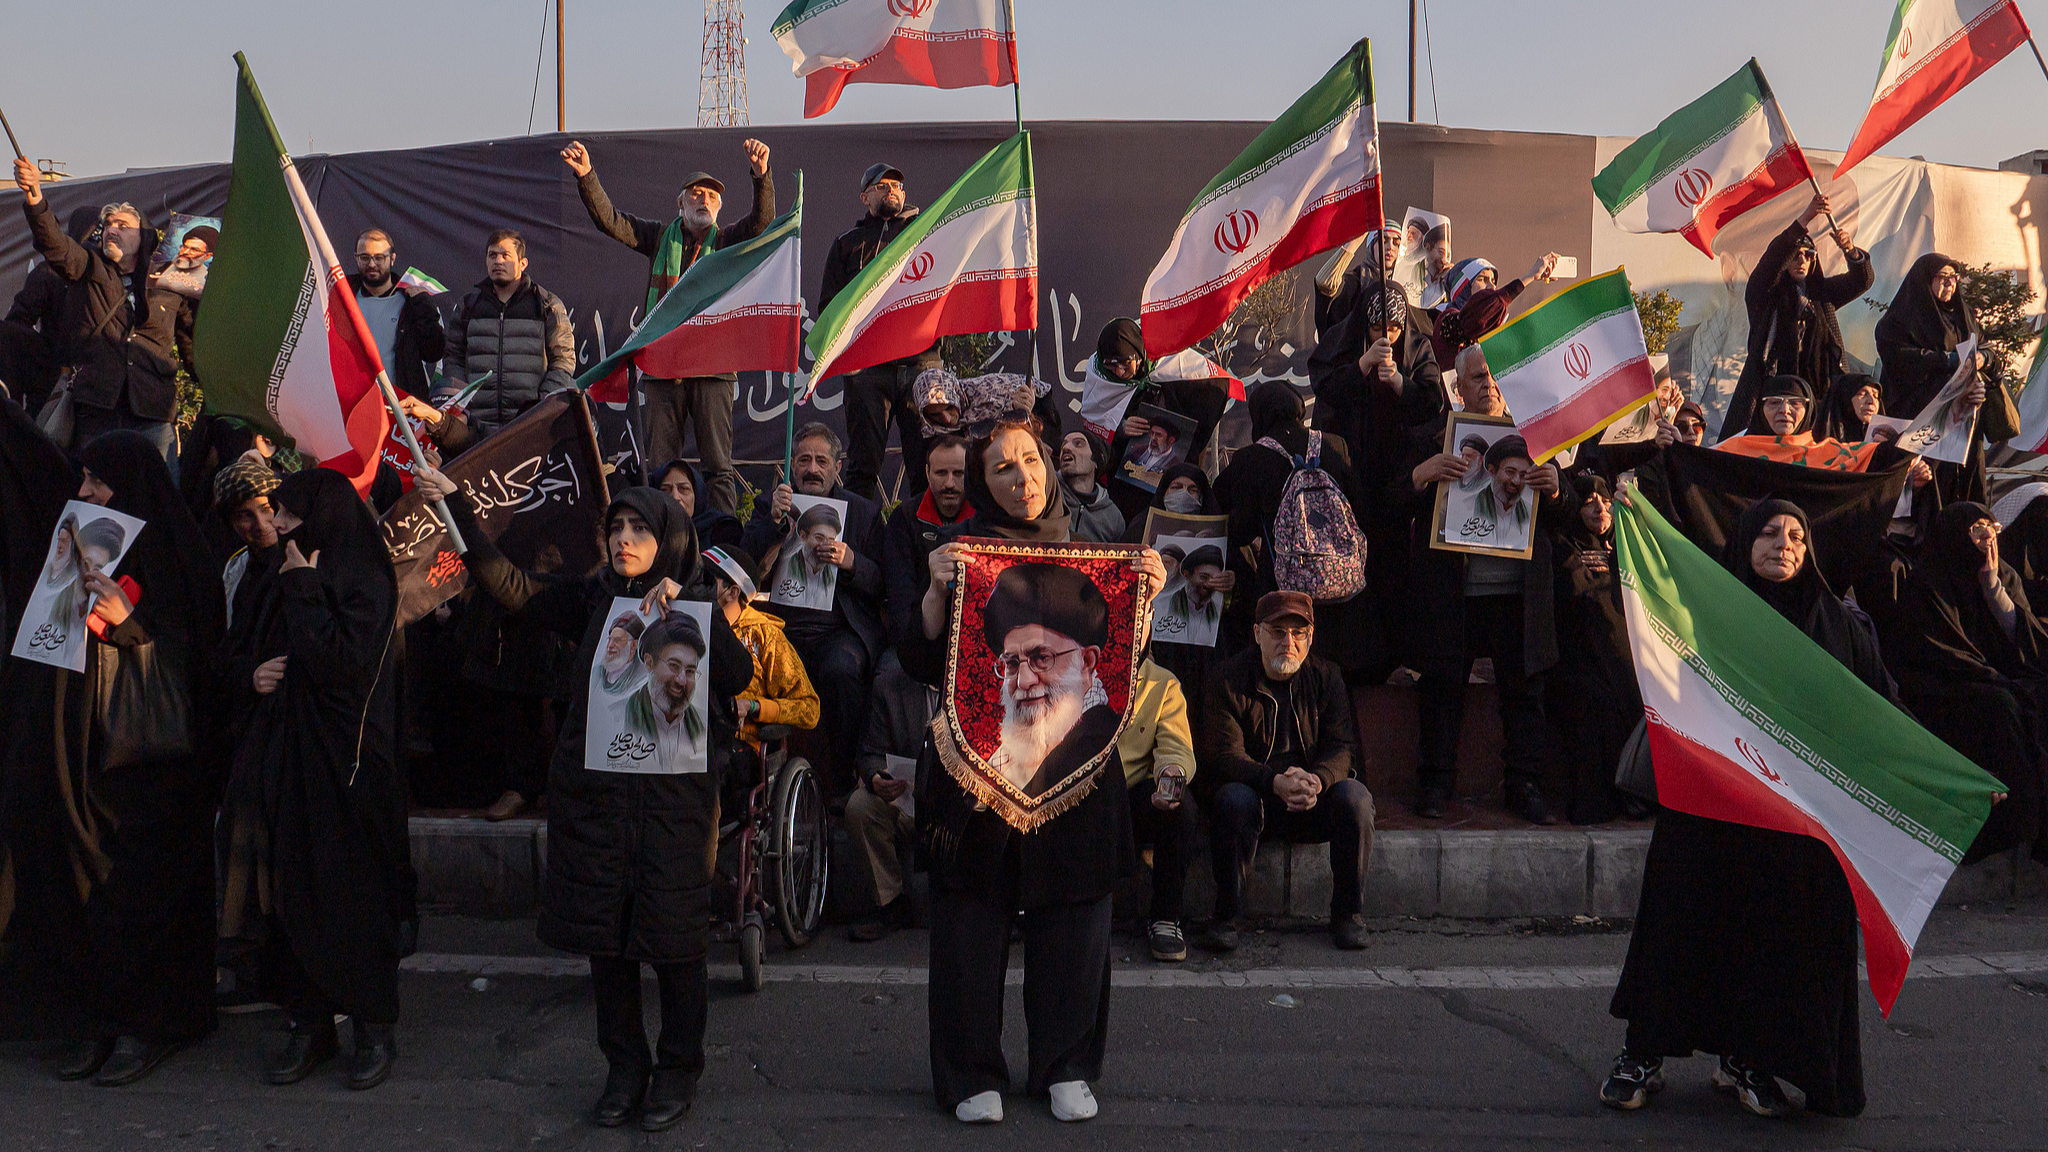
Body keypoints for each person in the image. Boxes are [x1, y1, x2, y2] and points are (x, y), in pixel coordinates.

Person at [414, 466, 751, 1131]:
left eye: (639, 529)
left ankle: (677, 1071)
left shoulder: (699, 603)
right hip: (599, 804)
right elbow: (511, 587)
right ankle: (625, 1069)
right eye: (616, 528)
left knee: (676, 945)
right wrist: (455, 505)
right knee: (610, 943)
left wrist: (698, 608)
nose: (624, 539)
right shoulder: (592, 600)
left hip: (675, 812)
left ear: (670, 539)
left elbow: (736, 675)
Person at [902, 419, 1164, 1124]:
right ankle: (968, 1072)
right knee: (968, 927)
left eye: (1029, 462)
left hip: (1076, 768)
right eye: (1002, 470)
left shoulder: (1098, 556)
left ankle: (1067, 1065)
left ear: (1049, 466)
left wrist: (1143, 605)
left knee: (1076, 921)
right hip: (976, 770)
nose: (1021, 480)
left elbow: (1122, 668)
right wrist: (934, 594)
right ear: (982, 485)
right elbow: (921, 661)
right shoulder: (959, 556)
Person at [1605, 498, 1895, 1119]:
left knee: (1769, 939)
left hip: (1791, 819)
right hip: (1706, 803)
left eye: (1796, 535)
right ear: (1743, 542)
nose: (1783, 545)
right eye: (1768, 533)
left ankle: (1749, 1058)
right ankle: (1642, 1054)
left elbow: (1880, 716)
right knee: (1678, 921)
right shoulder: (1704, 612)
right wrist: (1628, 515)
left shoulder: (1838, 624)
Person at [0, 430, 224, 1085]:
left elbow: (199, 668)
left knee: (146, 895)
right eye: (85, 481)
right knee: (86, 899)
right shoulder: (74, 551)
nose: (87, 494)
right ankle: (97, 1019)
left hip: (152, 776)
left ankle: (150, 1025)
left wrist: (128, 620)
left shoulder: (181, 560)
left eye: (99, 483)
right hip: (86, 771)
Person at [219, 466, 410, 1091]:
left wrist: (302, 586)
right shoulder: (274, 575)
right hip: (288, 761)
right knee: (295, 893)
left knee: (354, 894)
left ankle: (372, 1026)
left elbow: (341, 663)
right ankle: (310, 1022)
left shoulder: (363, 579)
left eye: (291, 518)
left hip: (351, 765)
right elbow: (239, 648)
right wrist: (252, 674)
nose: (277, 526)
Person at [1396, 348, 1565, 823]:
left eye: (1495, 376)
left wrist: (1558, 487)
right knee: (1442, 690)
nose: (1489, 384)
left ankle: (1525, 787)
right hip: (1454, 595)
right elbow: (1387, 504)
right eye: (1478, 377)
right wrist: (1421, 474)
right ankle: (1434, 784)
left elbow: (1568, 510)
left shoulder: (1539, 438)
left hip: (1518, 595)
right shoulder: (1430, 439)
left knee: (1524, 694)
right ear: (1459, 388)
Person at [563, 138, 775, 513]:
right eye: (695, 194)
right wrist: (587, 176)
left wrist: (762, 176)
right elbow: (611, 221)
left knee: (718, 469)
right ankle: (663, 538)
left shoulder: (726, 241)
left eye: (711, 196)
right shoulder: (659, 237)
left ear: (719, 207)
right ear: (680, 204)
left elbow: (761, 223)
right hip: (664, 367)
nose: (703, 201)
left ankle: (722, 542)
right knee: (661, 467)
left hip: (713, 368)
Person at [1196, 591, 1372, 952]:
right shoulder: (1228, 679)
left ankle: (1348, 915)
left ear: (1311, 637)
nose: (1288, 643)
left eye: (1298, 633)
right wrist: (1273, 782)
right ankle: (1226, 916)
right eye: (1278, 632)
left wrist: (1318, 781)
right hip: (1256, 799)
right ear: (1257, 633)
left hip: (1311, 800)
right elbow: (1224, 755)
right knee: (1231, 798)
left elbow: (1343, 748)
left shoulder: (1328, 677)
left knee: (1355, 799)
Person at [1886, 503, 2048, 864]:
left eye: (1991, 527)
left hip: (1998, 679)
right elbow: (1939, 652)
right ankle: (2014, 819)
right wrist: (1996, 679)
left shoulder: (2002, 575)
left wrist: (1993, 590)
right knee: (2001, 704)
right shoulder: (1929, 582)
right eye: (1976, 529)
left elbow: (2026, 644)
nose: (1986, 537)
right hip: (1945, 688)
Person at [14, 159, 194, 459]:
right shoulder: (89, 265)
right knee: (97, 497)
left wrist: (220, 392)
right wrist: (34, 194)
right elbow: (55, 244)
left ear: (144, 237)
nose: (112, 229)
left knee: (155, 498)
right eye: (108, 225)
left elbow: (191, 339)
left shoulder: (168, 280)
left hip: (153, 412)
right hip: (98, 411)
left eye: (123, 225)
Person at [741, 423, 885, 794]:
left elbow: (884, 583)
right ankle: (758, 784)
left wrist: (852, 561)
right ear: (791, 464)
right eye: (804, 460)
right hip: (780, 629)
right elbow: (746, 571)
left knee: (842, 671)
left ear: (838, 466)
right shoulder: (770, 504)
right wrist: (774, 525)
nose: (812, 469)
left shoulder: (863, 512)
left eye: (822, 460)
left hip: (838, 632)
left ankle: (839, 786)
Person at [1214, 381, 1367, 672]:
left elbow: (1241, 530)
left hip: (1282, 589)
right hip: (1340, 587)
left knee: (1285, 670)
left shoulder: (1251, 457)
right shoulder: (1334, 445)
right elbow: (1359, 508)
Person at [821, 163, 941, 501]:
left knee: (927, 464)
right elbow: (829, 307)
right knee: (863, 467)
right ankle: (859, 547)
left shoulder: (927, 234)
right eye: (881, 186)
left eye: (897, 186)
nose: (891, 190)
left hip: (921, 366)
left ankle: (924, 545)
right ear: (865, 196)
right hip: (868, 371)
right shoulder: (846, 244)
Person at [1718, 193, 1871, 440]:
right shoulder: (1766, 296)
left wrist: (1851, 251)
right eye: (1796, 255)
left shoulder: (1822, 295)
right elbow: (1768, 265)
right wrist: (1807, 217)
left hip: (1817, 398)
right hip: (1775, 398)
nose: (1802, 260)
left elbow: (1861, 280)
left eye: (1809, 255)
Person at [1545, 475, 1645, 824]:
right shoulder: (1564, 545)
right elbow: (1574, 595)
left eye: (1605, 501)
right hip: (1581, 659)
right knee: (1594, 705)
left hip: (1626, 659)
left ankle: (1635, 793)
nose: (1600, 508)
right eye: (1589, 502)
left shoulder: (1628, 545)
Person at [1088, 318, 1232, 521]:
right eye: (1111, 366)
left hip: (1172, 487)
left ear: (1138, 354)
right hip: (1126, 493)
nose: (1120, 372)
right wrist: (1120, 427)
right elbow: (1093, 424)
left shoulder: (1171, 365)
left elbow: (1215, 386)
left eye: (1125, 363)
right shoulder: (1100, 378)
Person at [435, 229, 576, 435]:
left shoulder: (546, 305)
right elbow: (452, 359)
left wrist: (540, 408)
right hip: (476, 427)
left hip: (529, 426)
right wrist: (462, 404)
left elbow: (563, 362)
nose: (498, 261)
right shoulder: (468, 306)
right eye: (492, 255)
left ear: (522, 263)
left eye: (505, 256)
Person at [843, 651, 936, 942]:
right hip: (908, 801)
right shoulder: (891, 685)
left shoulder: (977, 681)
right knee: (860, 806)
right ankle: (891, 903)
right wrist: (876, 777)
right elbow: (869, 753)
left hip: (966, 804)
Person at [1118, 652, 1197, 962]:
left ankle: (1166, 916)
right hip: (1080, 791)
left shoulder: (1162, 683)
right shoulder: (1069, 668)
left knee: (1180, 807)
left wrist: (1170, 775)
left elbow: (1175, 747)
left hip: (1131, 793)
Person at [706, 544, 820, 746]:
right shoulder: (687, 621)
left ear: (732, 592)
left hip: (738, 746)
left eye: (707, 582)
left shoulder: (766, 636)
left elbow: (809, 709)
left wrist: (755, 707)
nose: (698, 588)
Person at [883, 433, 972, 642]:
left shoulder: (985, 516)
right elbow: (899, 597)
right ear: (927, 472)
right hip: (917, 637)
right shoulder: (904, 519)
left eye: (958, 473)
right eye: (941, 473)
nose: (950, 483)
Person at [348, 228, 447, 401]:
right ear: (355, 257)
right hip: (355, 403)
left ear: (392, 259)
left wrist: (424, 305)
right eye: (364, 257)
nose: (371, 264)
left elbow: (433, 352)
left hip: (402, 407)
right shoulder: (343, 296)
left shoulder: (411, 302)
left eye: (379, 257)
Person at [1430, 252, 1561, 364]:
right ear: (1462, 288)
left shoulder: (1497, 334)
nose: (1492, 287)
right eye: (1482, 279)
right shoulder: (1445, 322)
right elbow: (1477, 318)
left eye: (1493, 281)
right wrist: (1529, 276)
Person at [654, 457, 743, 549]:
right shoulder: (647, 533)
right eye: (665, 490)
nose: (675, 497)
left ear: (697, 494)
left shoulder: (722, 532)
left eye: (683, 489)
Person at [1057, 429, 1125, 543]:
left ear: (1096, 461)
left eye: (1078, 444)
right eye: (1063, 444)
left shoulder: (1114, 518)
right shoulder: (1049, 490)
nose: (1066, 448)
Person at [149, 225, 215, 304]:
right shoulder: (160, 267)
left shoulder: (208, 279)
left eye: (194, 249)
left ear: (207, 256)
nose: (185, 252)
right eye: (184, 246)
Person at [1816, 373, 1884, 443]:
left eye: (1876, 396)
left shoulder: (1885, 445)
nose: (1871, 401)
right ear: (1844, 399)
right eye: (1862, 394)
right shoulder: (1818, 445)